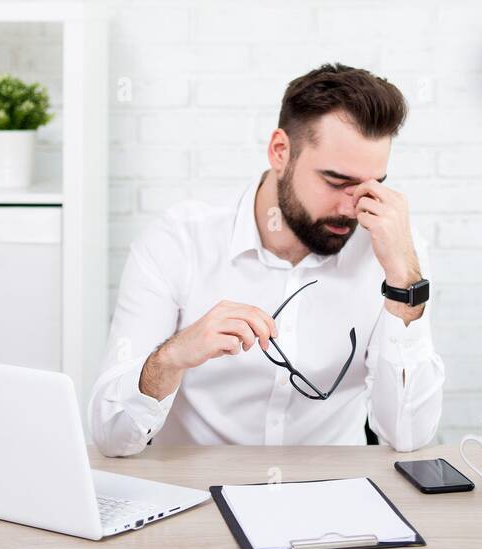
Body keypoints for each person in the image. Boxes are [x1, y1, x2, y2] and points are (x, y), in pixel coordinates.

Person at [88, 63, 445, 454]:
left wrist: (405, 282)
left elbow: (409, 436)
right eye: (336, 182)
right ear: (280, 152)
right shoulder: (178, 242)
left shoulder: (394, 252)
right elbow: (110, 435)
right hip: (196, 493)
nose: (351, 207)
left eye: (372, 186)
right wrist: (173, 356)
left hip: (333, 491)